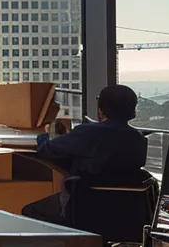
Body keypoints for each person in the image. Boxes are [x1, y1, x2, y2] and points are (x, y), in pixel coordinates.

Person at [21, 85, 150, 224]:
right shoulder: (138, 139)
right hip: (125, 211)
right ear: (133, 111)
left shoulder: (88, 132)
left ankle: (65, 244)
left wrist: (45, 136)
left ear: (101, 109)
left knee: (31, 210)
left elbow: (46, 150)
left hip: (84, 207)